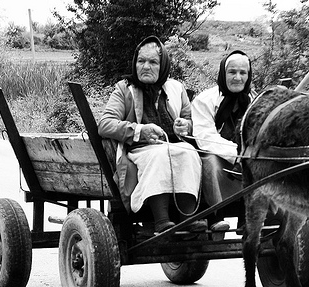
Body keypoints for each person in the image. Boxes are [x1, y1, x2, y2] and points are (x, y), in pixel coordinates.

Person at [98, 35, 205, 236]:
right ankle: (161, 221)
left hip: (173, 146)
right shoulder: (124, 89)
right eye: (141, 61)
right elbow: (105, 124)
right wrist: (139, 131)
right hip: (138, 151)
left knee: (189, 152)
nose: (146, 66)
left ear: (163, 65)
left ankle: (188, 218)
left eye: (153, 62)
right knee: (160, 155)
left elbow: (190, 120)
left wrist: (186, 126)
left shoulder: (175, 88)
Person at [191, 50, 254, 239]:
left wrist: (248, 153)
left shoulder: (254, 101)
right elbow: (205, 137)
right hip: (216, 156)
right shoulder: (205, 100)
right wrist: (237, 153)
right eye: (232, 72)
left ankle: (248, 219)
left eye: (243, 73)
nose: (238, 77)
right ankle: (216, 218)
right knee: (210, 162)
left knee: (259, 163)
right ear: (222, 73)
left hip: (245, 157)